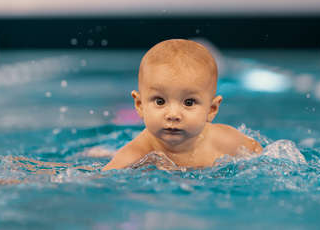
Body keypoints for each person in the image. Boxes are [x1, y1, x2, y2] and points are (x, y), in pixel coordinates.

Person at [103, 39, 262, 171]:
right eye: (160, 101)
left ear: (211, 109)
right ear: (139, 105)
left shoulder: (225, 141)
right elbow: (102, 179)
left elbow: (262, 155)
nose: (173, 115)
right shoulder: (137, 153)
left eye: (189, 102)